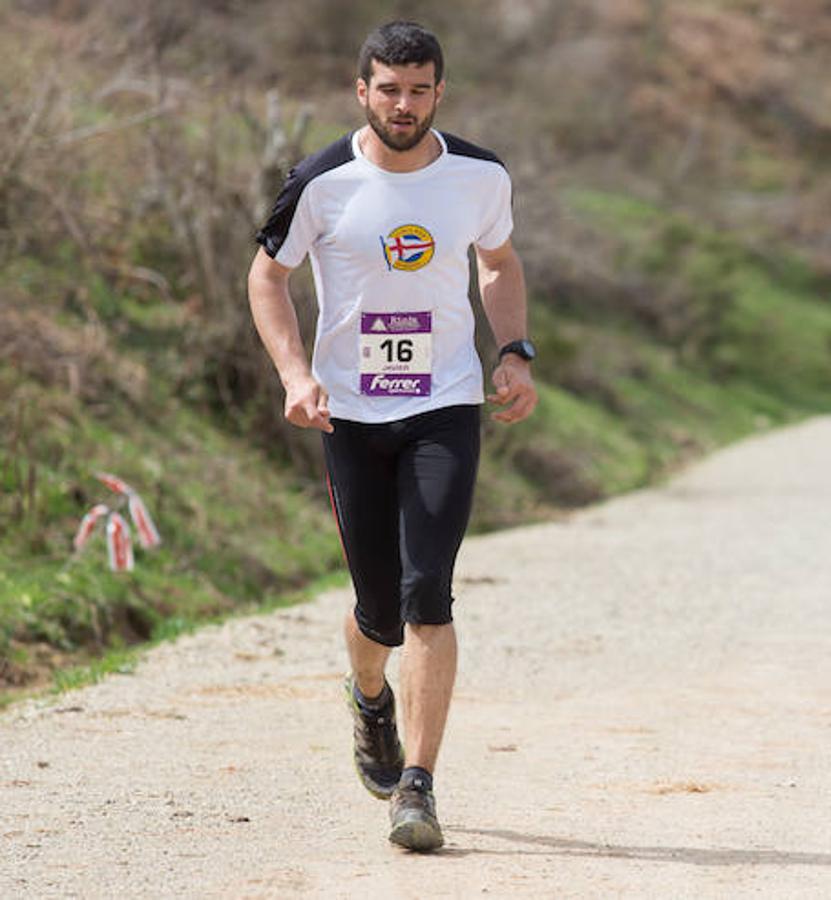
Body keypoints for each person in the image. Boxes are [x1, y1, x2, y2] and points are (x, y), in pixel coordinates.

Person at [246, 20, 538, 852]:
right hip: (349, 414)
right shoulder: (321, 181)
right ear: (360, 89)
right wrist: (295, 375)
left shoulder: (479, 174)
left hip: (443, 404)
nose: (402, 105)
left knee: (427, 594)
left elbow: (500, 263)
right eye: (388, 89)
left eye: (418, 90)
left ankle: (419, 786)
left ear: (439, 92)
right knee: (377, 613)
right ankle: (370, 700)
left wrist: (512, 352)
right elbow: (267, 277)